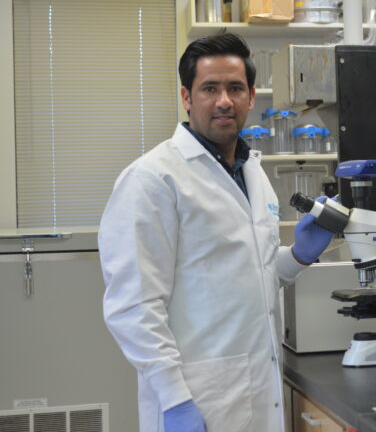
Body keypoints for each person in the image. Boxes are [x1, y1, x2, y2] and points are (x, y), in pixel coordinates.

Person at [99, 33, 334, 432]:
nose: (224, 100)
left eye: (235, 88)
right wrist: (173, 399)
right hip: (195, 397)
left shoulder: (252, 171)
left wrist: (296, 257)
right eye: (210, 88)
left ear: (250, 96)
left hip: (257, 391)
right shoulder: (153, 179)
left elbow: (249, 274)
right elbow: (134, 306)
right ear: (187, 97)